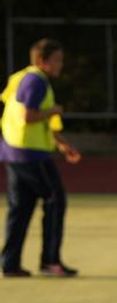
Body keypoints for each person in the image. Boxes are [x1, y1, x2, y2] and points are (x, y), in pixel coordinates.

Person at [1, 37, 82, 278]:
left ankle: (10, 264)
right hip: (30, 154)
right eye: (57, 60)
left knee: (21, 208)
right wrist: (54, 110)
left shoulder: (23, 77)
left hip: (14, 151)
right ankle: (50, 261)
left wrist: (61, 143)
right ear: (41, 61)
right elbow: (29, 116)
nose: (60, 65)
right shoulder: (35, 81)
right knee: (55, 200)